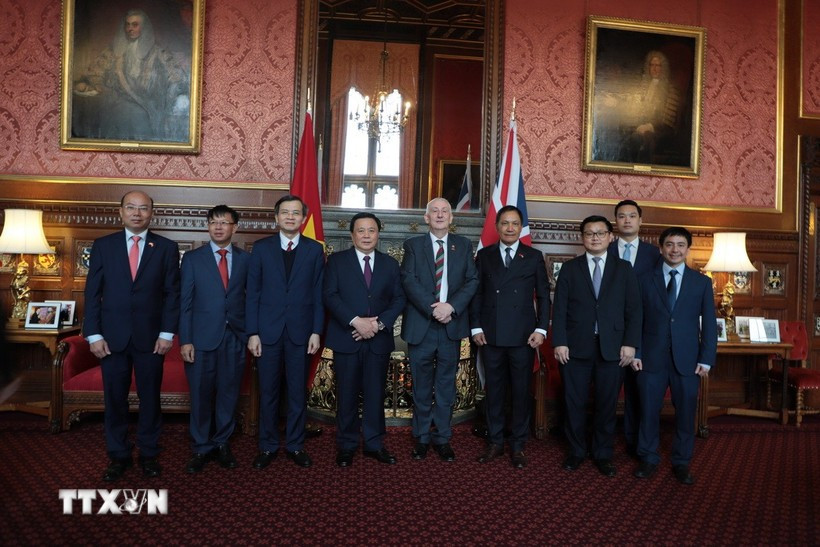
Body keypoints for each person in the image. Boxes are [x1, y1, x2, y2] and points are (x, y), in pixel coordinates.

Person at [83, 190, 180, 482]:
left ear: (152, 213)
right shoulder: (103, 246)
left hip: (152, 339)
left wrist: (167, 333)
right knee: (115, 399)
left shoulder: (166, 247)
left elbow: (172, 294)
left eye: (143, 208)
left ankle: (149, 453)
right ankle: (118, 455)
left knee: (150, 398)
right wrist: (93, 334)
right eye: (131, 207)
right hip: (111, 339)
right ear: (121, 211)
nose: (137, 213)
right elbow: (92, 293)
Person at [552, 215, 641, 477]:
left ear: (610, 237)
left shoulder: (624, 269)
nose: (595, 237)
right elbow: (560, 310)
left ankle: (603, 453)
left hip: (612, 349)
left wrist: (630, 344)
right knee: (574, 403)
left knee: (606, 404)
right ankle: (576, 451)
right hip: (575, 348)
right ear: (582, 238)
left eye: (600, 233)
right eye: (589, 233)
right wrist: (560, 342)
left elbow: (634, 310)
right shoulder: (570, 268)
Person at [632, 227, 717, 485]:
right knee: (648, 410)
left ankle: (681, 461)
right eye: (669, 244)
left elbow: (709, 324)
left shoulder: (701, 282)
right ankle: (648, 457)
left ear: (688, 249)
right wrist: (636, 351)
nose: (675, 250)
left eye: (680, 245)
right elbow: (635, 319)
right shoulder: (644, 279)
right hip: (650, 358)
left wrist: (706, 358)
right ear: (661, 248)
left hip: (688, 360)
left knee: (686, 413)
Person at [246, 195, 324, 469]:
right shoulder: (261, 248)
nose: (290, 217)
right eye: (285, 212)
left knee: (296, 393)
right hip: (267, 333)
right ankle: (267, 446)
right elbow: (252, 293)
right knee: (268, 392)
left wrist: (316, 330)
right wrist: (252, 332)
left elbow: (318, 293)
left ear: (303, 218)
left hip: (301, 333)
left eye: (296, 213)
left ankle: (295, 444)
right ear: (276, 217)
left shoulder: (314, 250)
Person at [469, 205, 551, 468]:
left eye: (515, 223)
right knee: (494, 392)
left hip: (523, 337)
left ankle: (518, 445)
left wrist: (541, 329)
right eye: (505, 223)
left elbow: (543, 296)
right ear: (497, 227)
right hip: (490, 335)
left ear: (521, 227)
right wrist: (475, 327)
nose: (510, 228)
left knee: (520, 393)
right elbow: (477, 294)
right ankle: (495, 442)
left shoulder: (534, 256)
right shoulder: (485, 255)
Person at [324, 212, 406, 467]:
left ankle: (374, 443)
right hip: (347, 336)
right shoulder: (336, 261)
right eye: (361, 230)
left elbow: (399, 299)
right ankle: (347, 444)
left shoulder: (390, 264)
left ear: (378, 234)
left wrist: (377, 325)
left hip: (378, 340)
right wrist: (355, 321)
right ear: (352, 235)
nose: (367, 235)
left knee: (375, 393)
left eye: (371, 230)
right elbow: (329, 295)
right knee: (346, 394)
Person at [400, 198, 478, 462]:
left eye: (445, 211)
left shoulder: (463, 245)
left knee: (446, 387)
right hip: (422, 325)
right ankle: (421, 438)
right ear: (426, 218)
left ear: (451, 218)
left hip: (450, 327)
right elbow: (408, 280)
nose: (440, 215)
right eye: (435, 211)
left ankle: (443, 438)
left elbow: (472, 280)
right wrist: (433, 308)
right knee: (421, 386)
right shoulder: (413, 245)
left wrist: (451, 307)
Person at [179, 205, 249, 473]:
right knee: (200, 394)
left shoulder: (246, 259)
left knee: (228, 394)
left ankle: (222, 443)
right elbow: (185, 303)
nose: (218, 227)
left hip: (235, 337)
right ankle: (200, 446)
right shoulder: (192, 259)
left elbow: (252, 299)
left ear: (235, 227)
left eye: (224, 222)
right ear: (208, 226)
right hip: (200, 339)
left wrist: (250, 335)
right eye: (213, 222)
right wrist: (186, 340)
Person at [73, 9, 189, 142]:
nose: (130, 29)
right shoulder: (114, 51)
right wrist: (97, 85)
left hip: (146, 102)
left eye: (135, 25)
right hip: (116, 100)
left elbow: (178, 78)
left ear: (143, 27)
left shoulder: (158, 53)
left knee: (137, 115)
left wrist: (173, 93)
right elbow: (94, 72)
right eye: (127, 25)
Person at [608, 199, 660, 457]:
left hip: (644, 331)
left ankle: (635, 442)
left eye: (631, 216)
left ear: (640, 220)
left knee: (638, 390)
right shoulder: (605, 249)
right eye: (621, 216)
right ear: (615, 221)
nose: (626, 220)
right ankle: (605, 445)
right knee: (609, 390)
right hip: (610, 330)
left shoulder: (654, 254)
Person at [594, 50, 683, 164]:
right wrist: (616, 102)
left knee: (636, 139)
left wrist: (649, 126)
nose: (655, 69)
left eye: (658, 66)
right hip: (639, 125)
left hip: (659, 130)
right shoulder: (643, 86)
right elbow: (633, 105)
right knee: (617, 131)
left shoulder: (671, 90)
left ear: (663, 68)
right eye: (652, 65)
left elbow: (668, 122)